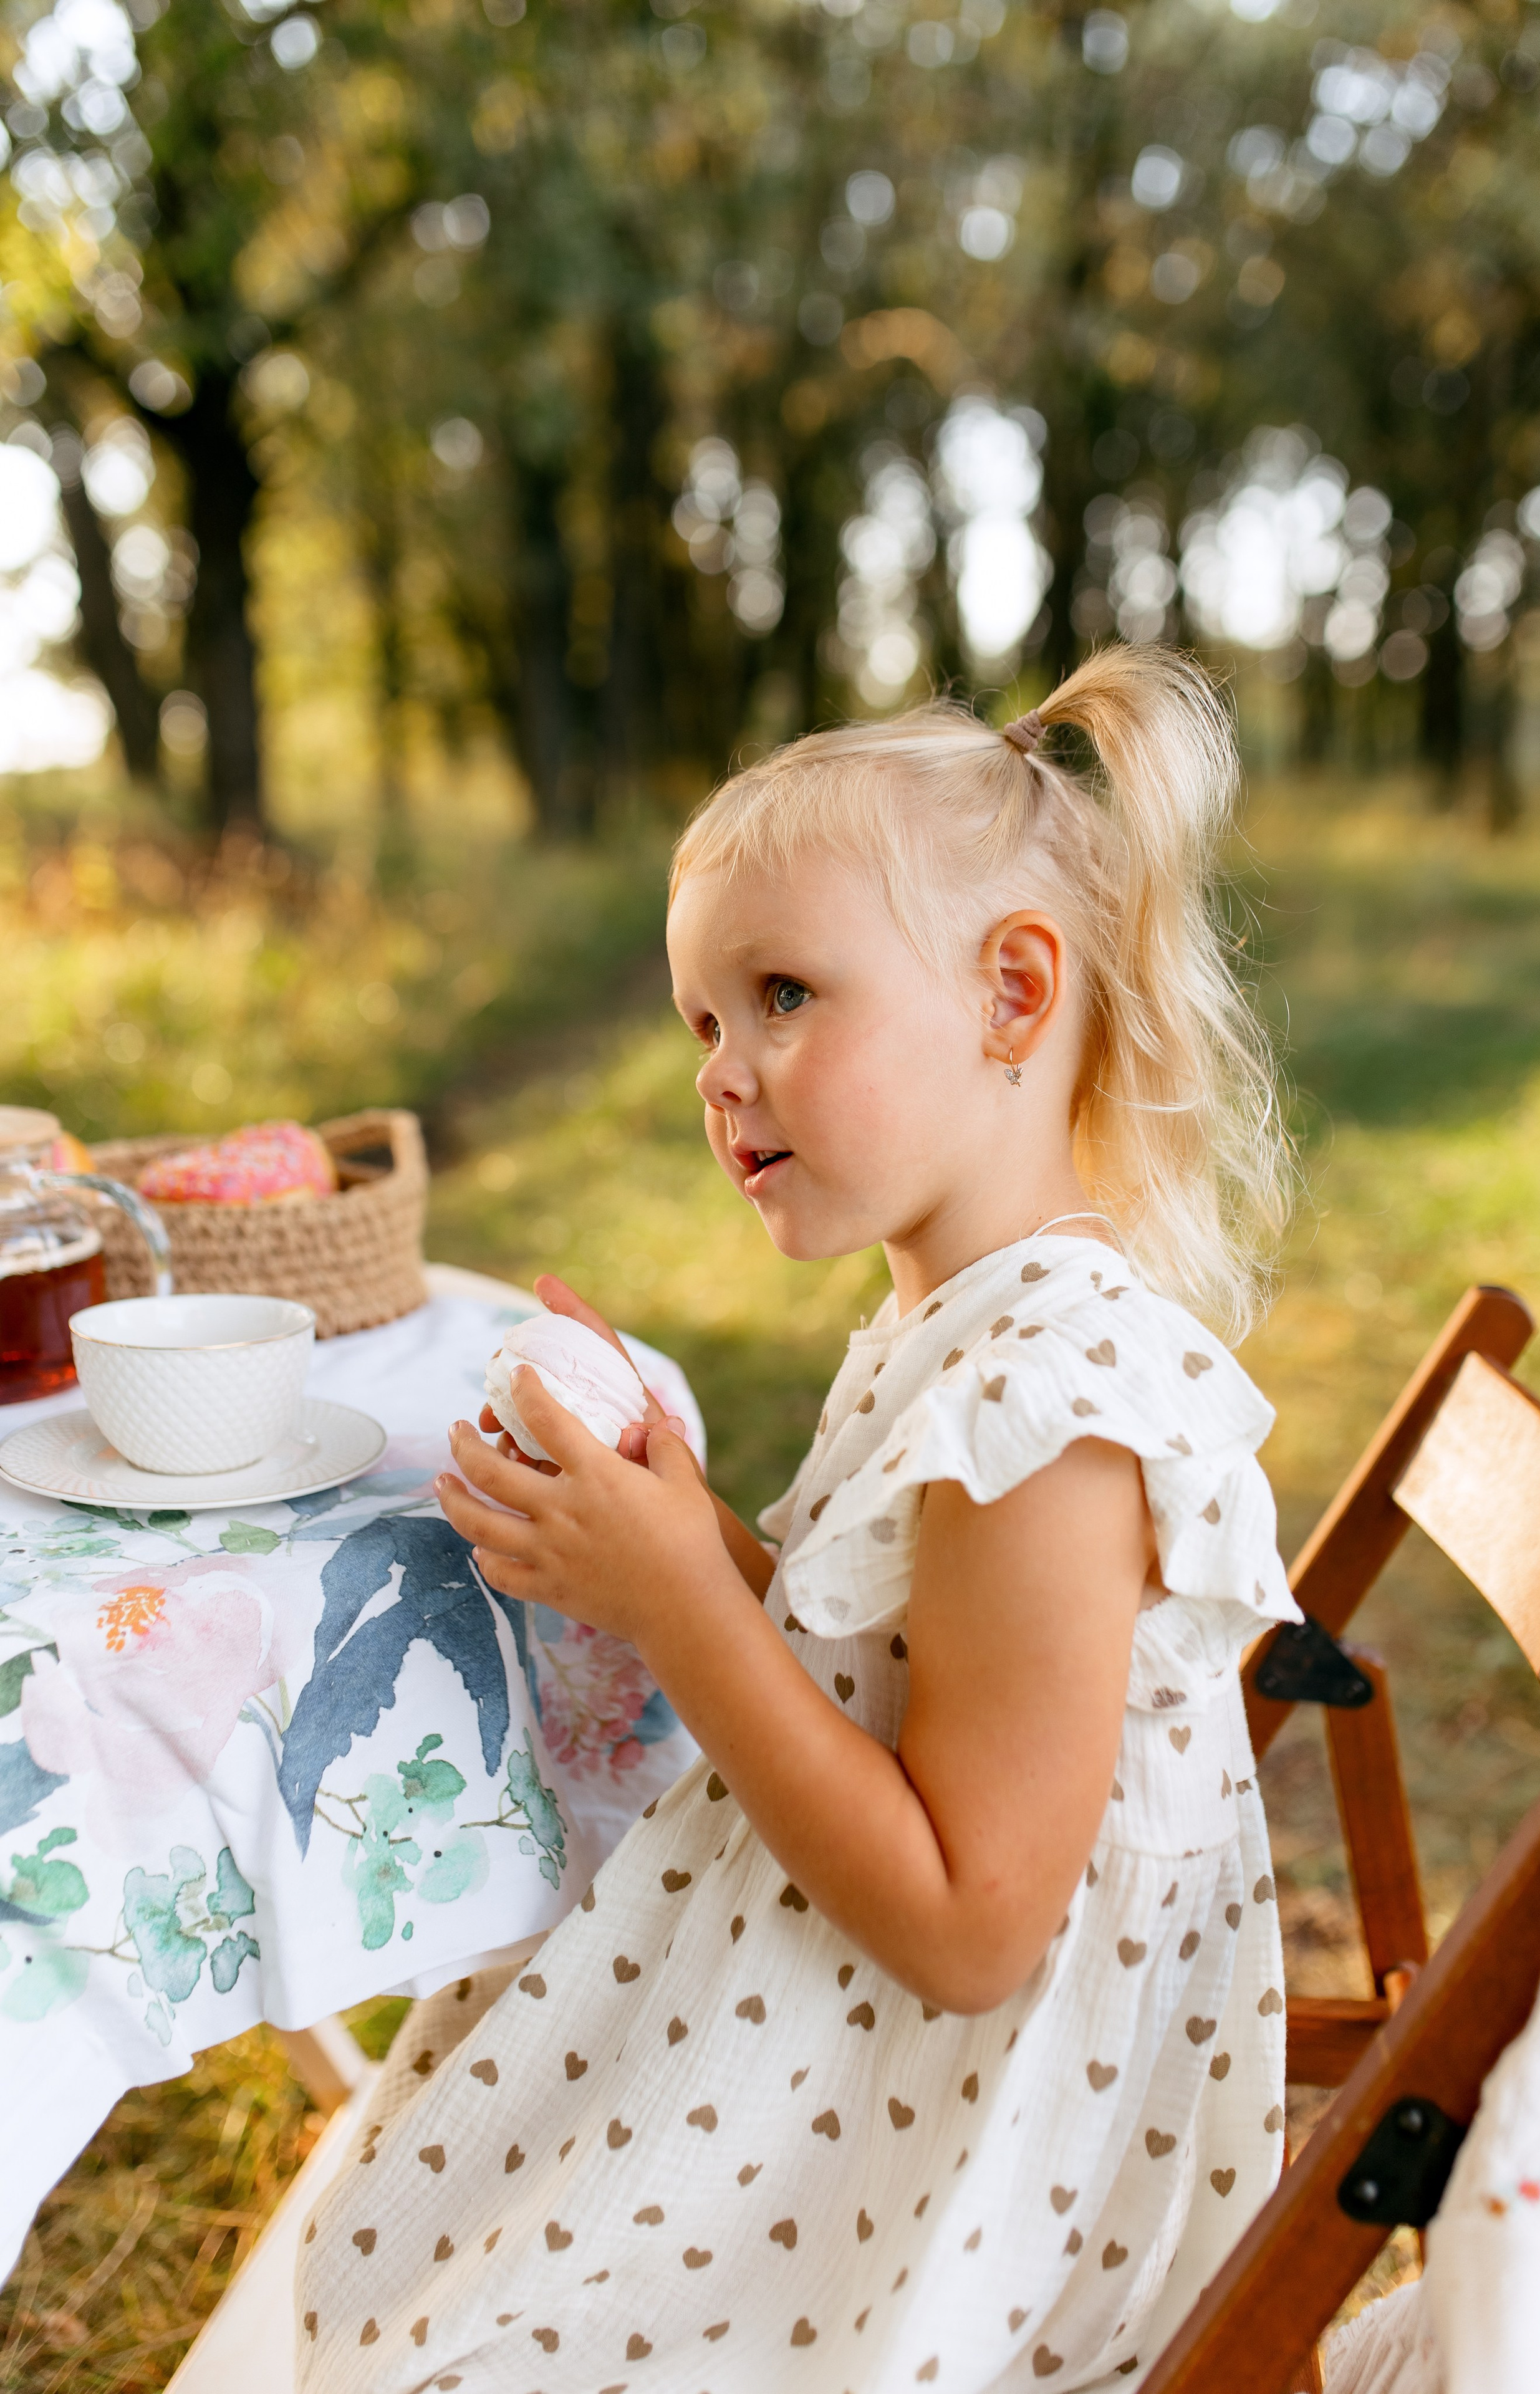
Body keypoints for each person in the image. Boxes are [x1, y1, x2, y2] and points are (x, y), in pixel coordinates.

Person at [296, 643, 1299, 2393]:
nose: (722, 1069)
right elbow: (887, 1660)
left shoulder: (1044, 1415)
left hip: (974, 2170)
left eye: (784, 996)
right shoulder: (948, 1317)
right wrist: (691, 1541)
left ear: (1011, 994)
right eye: (703, 1019)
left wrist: (688, 1603)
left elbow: (974, 1928)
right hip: (863, 2049)